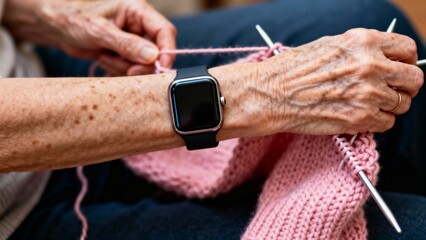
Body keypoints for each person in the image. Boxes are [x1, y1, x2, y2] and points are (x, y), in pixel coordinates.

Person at [0, 0, 425, 239]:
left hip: (38, 71)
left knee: (366, 24)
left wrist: (36, 14)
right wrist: (259, 91)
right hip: (18, 215)